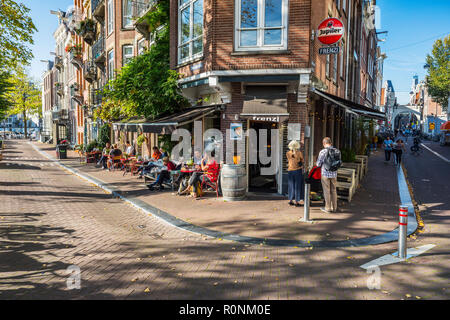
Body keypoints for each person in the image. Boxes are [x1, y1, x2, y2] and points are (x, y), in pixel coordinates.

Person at [316, 137, 341, 213]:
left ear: (324, 143)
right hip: (334, 174)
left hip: (325, 174)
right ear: (331, 143)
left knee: (326, 191)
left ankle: (328, 208)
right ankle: (335, 207)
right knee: (333, 190)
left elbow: (318, 164)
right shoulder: (337, 151)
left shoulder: (323, 152)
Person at [286, 140, 304, 207]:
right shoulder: (299, 153)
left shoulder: (288, 153)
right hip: (297, 170)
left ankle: (290, 200)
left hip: (290, 170)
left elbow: (290, 160)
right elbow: (302, 160)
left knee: (291, 185)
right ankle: (296, 201)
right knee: (297, 186)